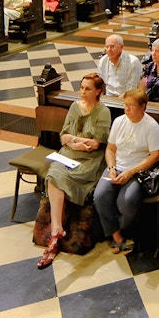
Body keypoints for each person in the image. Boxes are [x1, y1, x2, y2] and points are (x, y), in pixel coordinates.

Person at [37, 73, 111, 269]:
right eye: (81, 87)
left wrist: (75, 140)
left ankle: (54, 238)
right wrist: (77, 143)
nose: (83, 92)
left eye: (87, 89)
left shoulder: (103, 111)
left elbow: (96, 144)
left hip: (90, 160)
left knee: (67, 175)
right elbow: (63, 137)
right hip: (69, 154)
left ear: (98, 91)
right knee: (54, 174)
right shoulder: (73, 107)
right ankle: (57, 230)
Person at [94, 88, 159, 255]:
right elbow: (110, 149)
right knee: (100, 196)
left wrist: (131, 172)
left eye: (131, 106)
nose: (126, 109)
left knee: (127, 201)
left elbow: (156, 156)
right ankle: (116, 235)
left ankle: (123, 229)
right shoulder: (119, 121)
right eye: (125, 105)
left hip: (138, 171)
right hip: (117, 166)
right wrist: (111, 168)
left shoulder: (151, 126)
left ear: (143, 107)